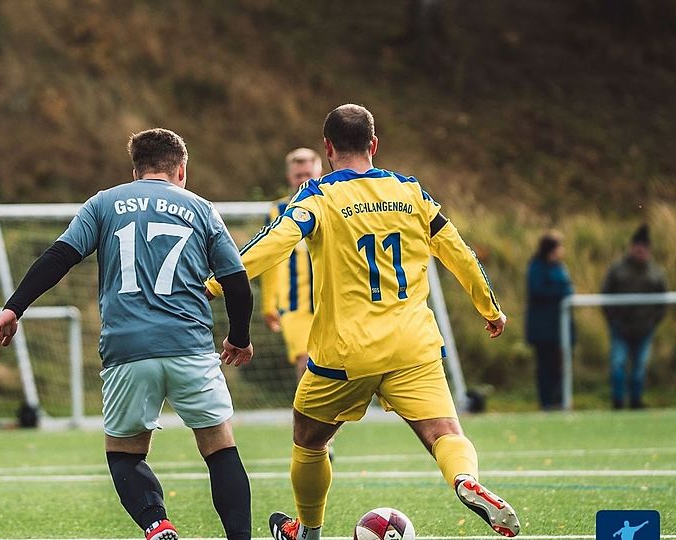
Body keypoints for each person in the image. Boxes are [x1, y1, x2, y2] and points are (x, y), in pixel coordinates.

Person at [207, 104, 520, 539]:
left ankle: (307, 531)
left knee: (309, 438)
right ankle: (465, 480)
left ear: (328, 148)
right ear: (374, 145)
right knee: (444, 432)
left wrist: (213, 284)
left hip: (346, 352)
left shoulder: (320, 196)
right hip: (414, 346)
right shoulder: (412, 193)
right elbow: (459, 252)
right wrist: (490, 308)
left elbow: (274, 243)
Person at [0, 128, 254, 540]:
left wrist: (14, 306)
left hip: (127, 349)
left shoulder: (104, 203)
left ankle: (156, 523)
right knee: (220, 449)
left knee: (124, 454)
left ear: (135, 170)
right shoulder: (202, 208)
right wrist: (239, 336)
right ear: (181, 169)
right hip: (190, 346)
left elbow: (59, 256)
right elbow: (236, 283)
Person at [260, 148, 323, 379]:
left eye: (309, 174)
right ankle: (309, 415)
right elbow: (270, 259)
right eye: (299, 176)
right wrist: (268, 304)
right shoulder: (279, 211)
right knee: (306, 361)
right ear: (290, 178)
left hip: (332, 302)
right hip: (296, 306)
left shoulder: (334, 206)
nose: (304, 180)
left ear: (320, 172)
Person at [601, 224, 668, 410]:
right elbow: (605, 295)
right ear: (632, 248)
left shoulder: (655, 272)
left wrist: (652, 322)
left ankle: (636, 401)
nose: (641, 251)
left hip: (644, 328)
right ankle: (618, 402)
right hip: (620, 328)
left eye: (644, 248)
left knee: (639, 368)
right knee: (618, 365)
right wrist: (614, 320)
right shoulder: (617, 270)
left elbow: (662, 301)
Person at [525, 231, 573, 410]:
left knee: (559, 365)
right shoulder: (537, 267)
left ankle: (559, 399)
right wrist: (561, 292)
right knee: (545, 365)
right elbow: (537, 291)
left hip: (561, 326)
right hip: (543, 328)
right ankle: (546, 401)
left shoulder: (560, 267)